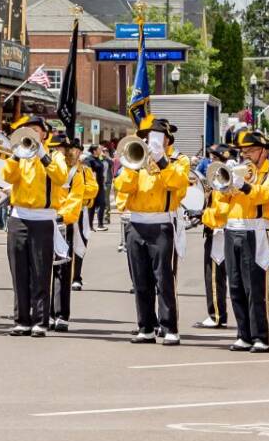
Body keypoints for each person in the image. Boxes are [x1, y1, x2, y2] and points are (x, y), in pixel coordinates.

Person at [111, 116, 192, 345]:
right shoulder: (136, 159)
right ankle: (146, 326)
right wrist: (134, 166)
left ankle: (169, 327)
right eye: (147, 137)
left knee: (164, 278)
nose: (151, 140)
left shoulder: (178, 160)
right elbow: (122, 187)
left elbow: (179, 185)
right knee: (140, 279)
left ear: (167, 139)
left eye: (156, 137)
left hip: (162, 223)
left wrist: (162, 161)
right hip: (136, 223)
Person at [220, 129, 269, 353]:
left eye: (250, 151)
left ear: (262, 152)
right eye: (243, 151)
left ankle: (260, 336)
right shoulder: (238, 171)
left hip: (256, 230)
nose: (245, 155)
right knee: (236, 284)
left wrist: (244, 185)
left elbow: (268, 195)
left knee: (255, 286)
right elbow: (221, 197)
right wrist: (227, 182)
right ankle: (243, 334)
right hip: (233, 229)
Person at [2, 116, 68, 337]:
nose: (31, 134)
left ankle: (40, 320)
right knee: (18, 271)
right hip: (18, 217)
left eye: (36, 130)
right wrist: (14, 155)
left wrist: (42, 154)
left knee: (41, 270)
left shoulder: (55, 155)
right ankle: (21, 319)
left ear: (44, 134)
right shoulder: (19, 156)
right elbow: (7, 176)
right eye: (27, 130)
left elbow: (60, 177)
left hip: (42, 218)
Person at [53, 136, 98, 328]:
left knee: (70, 256)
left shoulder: (83, 170)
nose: (62, 152)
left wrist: (75, 195)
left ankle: (76, 279)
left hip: (73, 215)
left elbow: (92, 190)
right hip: (50, 217)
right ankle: (43, 312)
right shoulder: (51, 168)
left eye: (66, 149)